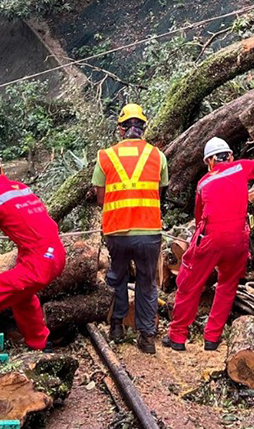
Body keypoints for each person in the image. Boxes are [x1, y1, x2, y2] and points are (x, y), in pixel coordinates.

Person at [0, 144, 65, 384]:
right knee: (22, 295)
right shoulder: (21, 187)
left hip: (39, 264)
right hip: (56, 255)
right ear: (0, 165)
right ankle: (41, 343)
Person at [162, 137, 254, 352]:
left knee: (189, 285)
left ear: (209, 161)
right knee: (227, 286)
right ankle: (212, 338)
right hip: (238, 240)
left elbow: (198, 217)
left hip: (211, 239)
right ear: (230, 156)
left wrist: (198, 241)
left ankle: (177, 337)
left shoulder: (204, 182)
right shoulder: (241, 167)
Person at [93, 103, 168, 354]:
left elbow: (101, 198)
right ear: (143, 128)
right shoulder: (157, 156)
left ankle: (117, 326)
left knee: (118, 277)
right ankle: (146, 337)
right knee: (147, 283)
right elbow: (160, 192)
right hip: (149, 232)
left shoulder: (105, 156)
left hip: (117, 231)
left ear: (121, 129)